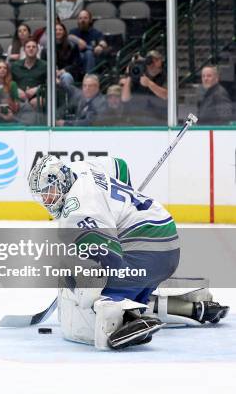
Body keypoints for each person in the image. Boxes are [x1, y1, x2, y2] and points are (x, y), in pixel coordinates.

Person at [27, 155, 229, 349]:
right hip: (166, 240)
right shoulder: (80, 168)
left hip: (147, 250)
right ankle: (191, 308)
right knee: (121, 288)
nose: (46, 200)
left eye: (48, 192)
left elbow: (109, 259)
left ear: (61, 181)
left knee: (91, 298)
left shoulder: (77, 209)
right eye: (42, 195)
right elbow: (120, 166)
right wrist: (121, 208)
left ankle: (124, 321)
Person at [120, 50, 167, 125]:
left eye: (156, 60)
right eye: (150, 60)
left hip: (158, 119)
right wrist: (129, 74)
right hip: (136, 119)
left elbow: (166, 95)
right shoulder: (137, 74)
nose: (152, 63)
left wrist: (149, 84)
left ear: (160, 61)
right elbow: (125, 98)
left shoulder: (166, 75)